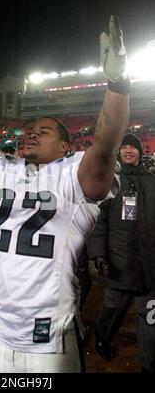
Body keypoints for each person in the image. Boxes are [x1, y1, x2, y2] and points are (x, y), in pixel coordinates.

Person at [0, 15, 129, 373]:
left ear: (66, 146)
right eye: (29, 129)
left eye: (44, 131)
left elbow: (106, 146)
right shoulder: (0, 168)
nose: (31, 133)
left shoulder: (71, 175)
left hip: (49, 335)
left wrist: (117, 84)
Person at [86, 134, 155, 373]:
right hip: (119, 264)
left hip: (149, 268)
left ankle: (148, 363)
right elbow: (99, 223)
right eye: (124, 146)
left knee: (150, 319)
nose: (128, 150)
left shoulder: (152, 182)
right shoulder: (110, 184)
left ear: (139, 153)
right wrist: (98, 255)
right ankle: (103, 338)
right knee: (112, 311)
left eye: (133, 147)